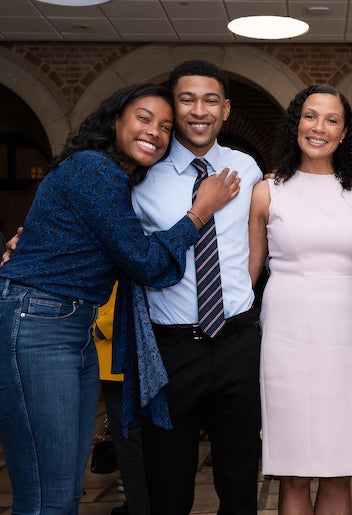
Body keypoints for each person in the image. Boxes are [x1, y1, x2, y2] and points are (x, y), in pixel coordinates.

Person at [0, 82, 238, 514]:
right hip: (38, 322)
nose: (156, 132)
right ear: (116, 120)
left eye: (166, 127)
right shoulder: (95, 169)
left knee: (65, 490)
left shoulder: (114, 180)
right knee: (46, 495)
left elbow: (134, 258)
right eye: (144, 118)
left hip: (70, 324)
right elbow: (145, 263)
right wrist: (199, 212)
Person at [130, 60, 263, 515]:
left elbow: (255, 238)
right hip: (170, 349)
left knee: (240, 474)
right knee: (168, 481)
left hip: (237, 341)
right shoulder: (143, 173)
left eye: (210, 100)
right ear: (174, 106)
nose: (199, 110)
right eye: (187, 99)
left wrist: (242, 293)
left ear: (226, 110)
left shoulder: (246, 167)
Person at [248, 84, 352, 514]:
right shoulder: (267, 191)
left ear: (343, 133)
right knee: (294, 472)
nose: (319, 127)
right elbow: (247, 273)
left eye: (332, 120)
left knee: (339, 472)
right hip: (285, 338)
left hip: (347, 339)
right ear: (295, 124)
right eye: (311, 116)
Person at [94, 283, 151, 515]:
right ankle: (136, 502)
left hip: (119, 356)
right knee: (131, 441)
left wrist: (98, 327)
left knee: (130, 442)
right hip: (119, 358)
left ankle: (139, 507)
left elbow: (131, 297)